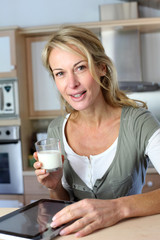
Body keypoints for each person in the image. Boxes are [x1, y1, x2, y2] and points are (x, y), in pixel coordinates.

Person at [34, 25, 160, 238]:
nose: (72, 83)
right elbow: (61, 206)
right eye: (60, 73)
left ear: (102, 68)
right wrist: (55, 186)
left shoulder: (139, 123)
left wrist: (117, 208)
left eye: (81, 68)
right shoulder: (56, 128)